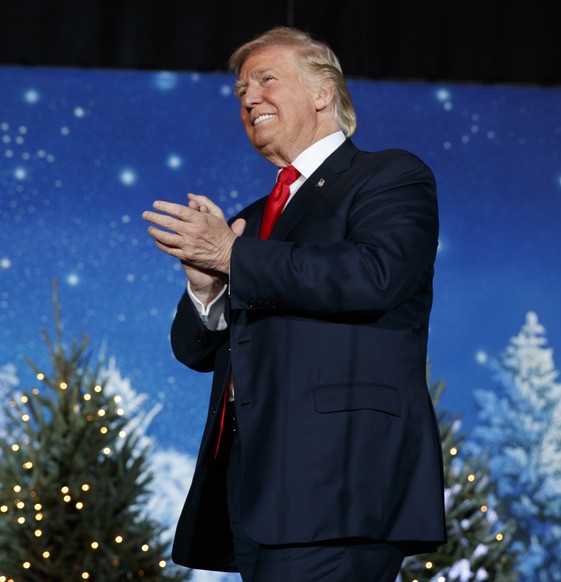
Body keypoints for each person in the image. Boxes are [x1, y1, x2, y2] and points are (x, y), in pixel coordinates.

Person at [142, 26, 446, 581]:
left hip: (342, 481)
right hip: (255, 493)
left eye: (266, 79)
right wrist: (207, 288)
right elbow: (194, 350)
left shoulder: (389, 176)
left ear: (323, 92)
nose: (249, 97)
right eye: (240, 91)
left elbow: (373, 275)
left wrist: (233, 256)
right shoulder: (255, 216)